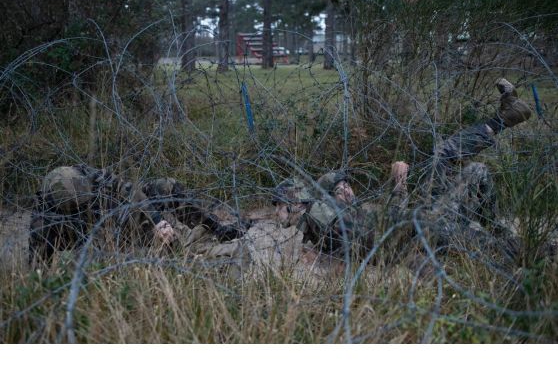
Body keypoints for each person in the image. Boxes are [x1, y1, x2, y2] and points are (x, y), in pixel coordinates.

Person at [272, 78, 532, 259]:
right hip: (429, 227)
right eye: (342, 189)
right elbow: (388, 234)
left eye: (346, 186)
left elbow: (383, 226)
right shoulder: (325, 218)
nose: (348, 191)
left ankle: (504, 119)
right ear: (295, 203)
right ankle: (503, 121)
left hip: (421, 222)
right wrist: (399, 186)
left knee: (449, 160)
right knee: (470, 169)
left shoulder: (330, 217)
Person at [28, 166, 248, 264]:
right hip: (100, 245)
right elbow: (38, 266)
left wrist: (156, 221)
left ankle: (219, 229)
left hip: (126, 216)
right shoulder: (43, 221)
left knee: (166, 186)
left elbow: (128, 190)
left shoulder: (88, 176)